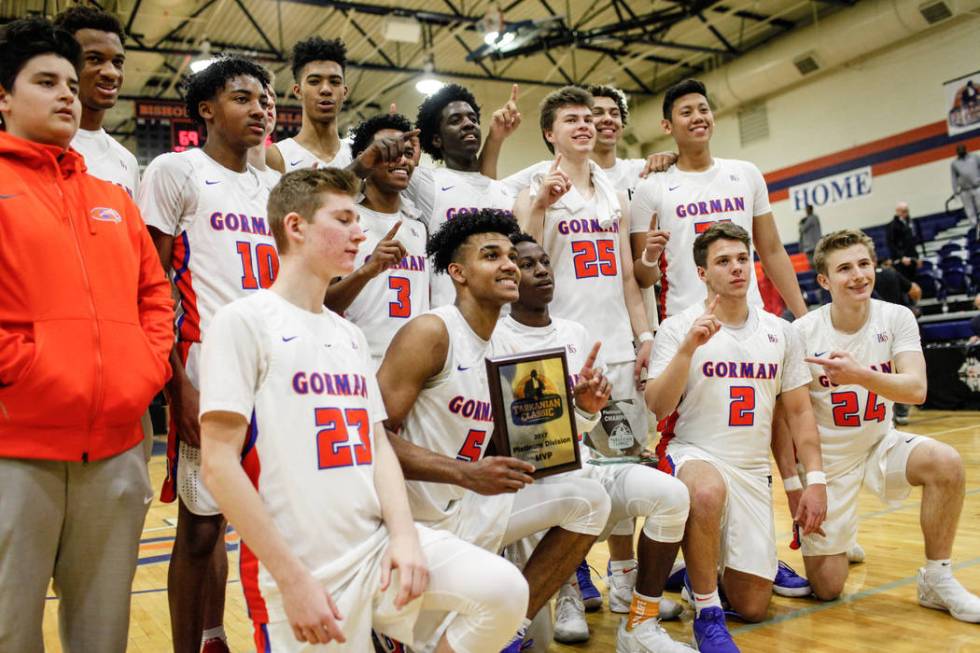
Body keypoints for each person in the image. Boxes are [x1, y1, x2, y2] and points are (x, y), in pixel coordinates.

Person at [198, 167, 527, 652]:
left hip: (375, 551)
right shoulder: (242, 321)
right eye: (345, 219)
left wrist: (405, 538)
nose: (360, 232)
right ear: (296, 227)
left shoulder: (348, 334)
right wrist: (292, 580)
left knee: (502, 592)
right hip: (302, 565)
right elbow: (218, 465)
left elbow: (376, 446)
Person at [0, 17, 173, 653]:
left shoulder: (113, 196)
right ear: (3, 98)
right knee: (10, 630)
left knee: (104, 635)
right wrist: (28, 372)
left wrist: (144, 369)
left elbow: (155, 296)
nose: (68, 94)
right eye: (46, 81)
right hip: (16, 447)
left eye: (71, 83)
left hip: (117, 446)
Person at [377, 209, 613, 652]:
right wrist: (464, 474)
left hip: (472, 508)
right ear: (458, 273)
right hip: (417, 522)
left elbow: (529, 450)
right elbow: (372, 438)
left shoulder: (506, 346)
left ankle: (508, 633)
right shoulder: (432, 332)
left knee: (590, 499)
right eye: (491, 255)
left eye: (510, 255)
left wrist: (581, 411)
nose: (508, 264)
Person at [139, 55, 277, 653]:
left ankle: (219, 636)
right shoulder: (176, 170)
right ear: (206, 110)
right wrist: (179, 388)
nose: (260, 108)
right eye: (243, 98)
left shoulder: (275, 186)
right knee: (200, 529)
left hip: (274, 367)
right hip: (206, 365)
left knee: (272, 518)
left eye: (266, 99)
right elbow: (150, 284)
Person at [498, 233, 692, 652]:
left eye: (545, 262)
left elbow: (587, 426)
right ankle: (565, 595)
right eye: (528, 265)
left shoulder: (577, 333)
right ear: (509, 276)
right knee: (538, 639)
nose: (542, 271)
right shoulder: (495, 338)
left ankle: (639, 625)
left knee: (672, 495)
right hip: (531, 485)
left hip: (583, 470)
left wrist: (588, 409)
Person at [781, 229, 980, 623]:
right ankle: (843, 534)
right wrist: (805, 482)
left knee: (947, 462)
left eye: (863, 264)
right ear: (823, 281)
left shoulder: (897, 316)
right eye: (844, 269)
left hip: (879, 442)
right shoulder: (801, 333)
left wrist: (858, 375)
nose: (857, 275)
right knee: (827, 589)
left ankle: (936, 578)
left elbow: (917, 389)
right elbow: (794, 418)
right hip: (828, 461)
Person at [645, 223, 827, 653]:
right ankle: (708, 615)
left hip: (750, 470)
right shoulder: (678, 327)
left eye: (742, 259)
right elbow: (657, 405)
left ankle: (696, 572)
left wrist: (812, 480)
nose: (736, 268)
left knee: (753, 605)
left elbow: (799, 413)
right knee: (705, 493)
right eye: (723, 261)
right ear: (703, 273)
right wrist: (688, 349)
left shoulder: (781, 332)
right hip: (693, 451)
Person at [629, 79, 807, 321]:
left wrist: (804, 318)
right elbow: (642, 278)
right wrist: (650, 257)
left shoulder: (747, 173)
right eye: (686, 112)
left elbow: (772, 250)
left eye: (704, 109)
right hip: (686, 323)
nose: (698, 117)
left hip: (750, 317)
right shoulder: (650, 188)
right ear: (667, 126)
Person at [324, 113, 428, 366]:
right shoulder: (343, 219)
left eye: (405, 152)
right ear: (366, 159)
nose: (402, 160)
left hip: (416, 365)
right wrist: (366, 271)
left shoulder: (419, 225)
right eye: (389, 152)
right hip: (357, 361)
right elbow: (323, 301)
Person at [410, 83, 521, 306]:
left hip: (505, 319)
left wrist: (496, 137)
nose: (468, 124)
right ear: (436, 140)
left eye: (472, 119)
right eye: (455, 120)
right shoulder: (426, 182)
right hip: (452, 318)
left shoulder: (504, 190)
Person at [53, 6, 138, 197]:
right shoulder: (39, 146)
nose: (111, 72)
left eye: (117, 62)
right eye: (94, 59)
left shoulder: (127, 161)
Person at [267, 37, 352, 173]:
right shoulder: (277, 156)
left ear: (345, 92)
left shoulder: (359, 156)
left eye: (335, 82)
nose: (326, 89)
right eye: (314, 81)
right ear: (297, 91)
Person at [885, 201, 923, 282]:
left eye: (907, 211)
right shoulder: (892, 225)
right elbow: (891, 244)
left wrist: (917, 258)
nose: (906, 213)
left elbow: (912, 243)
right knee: (906, 283)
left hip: (912, 257)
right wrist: (901, 257)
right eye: (903, 211)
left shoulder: (910, 222)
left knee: (915, 281)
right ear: (897, 211)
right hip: (902, 260)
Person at [951, 144, 980, 229]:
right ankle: (974, 227)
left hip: (977, 187)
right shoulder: (954, 163)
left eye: (962, 151)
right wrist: (955, 191)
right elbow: (954, 178)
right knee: (969, 211)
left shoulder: (974, 157)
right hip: (965, 190)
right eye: (959, 152)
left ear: (965, 150)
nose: (961, 153)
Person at [798, 204, 822, 270]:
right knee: (812, 262)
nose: (806, 211)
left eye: (807, 209)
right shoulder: (813, 218)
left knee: (815, 262)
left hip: (812, 245)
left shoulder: (812, 218)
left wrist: (801, 223)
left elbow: (802, 229)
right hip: (811, 245)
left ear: (810, 210)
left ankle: (816, 274)